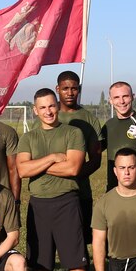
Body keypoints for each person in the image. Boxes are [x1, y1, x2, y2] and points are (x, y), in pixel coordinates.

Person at [17, 88, 93, 271]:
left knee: (76, 262)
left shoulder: (73, 133)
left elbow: (73, 168)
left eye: (52, 106)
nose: (48, 111)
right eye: (43, 107)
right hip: (39, 204)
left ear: (57, 106)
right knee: (40, 263)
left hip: (67, 202)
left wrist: (36, 166)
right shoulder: (28, 138)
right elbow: (22, 171)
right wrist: (51, 158)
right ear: (35, 110)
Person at [55, 71, 101, 241]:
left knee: (79, 239)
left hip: (80, 192)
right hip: (50, 193)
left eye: (74, 88)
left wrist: (74, 174)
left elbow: (95, 160)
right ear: (57, 89)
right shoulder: (48, 116)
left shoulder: (89, 119)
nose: (70, 92)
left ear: (79, 89)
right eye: (65, 88)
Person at [99, 81, 136, 191]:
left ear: (133, 97)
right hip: (114, 189)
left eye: (125, 96)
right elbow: (94, 150)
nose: (121, 101)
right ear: (110, 101)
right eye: (116, 97)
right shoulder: (108, 125)